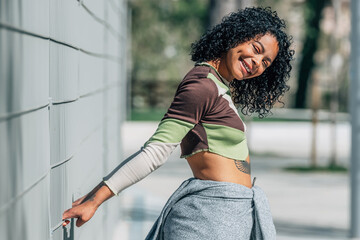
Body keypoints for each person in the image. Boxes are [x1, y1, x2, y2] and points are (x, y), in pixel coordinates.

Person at [62, 6, 294, 239]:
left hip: (227, 215)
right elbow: (155, 152)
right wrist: (95, 201)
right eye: (256, 49)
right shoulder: (202, 85)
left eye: (265, 62)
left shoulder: (219, 85)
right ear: (237, 34)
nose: (256, 62)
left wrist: (92, 195)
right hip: (208, 218)